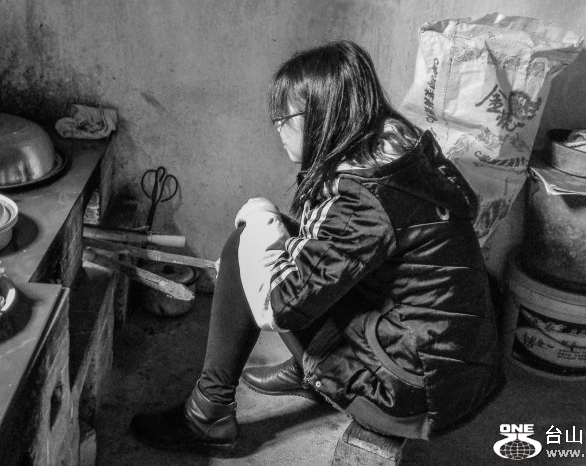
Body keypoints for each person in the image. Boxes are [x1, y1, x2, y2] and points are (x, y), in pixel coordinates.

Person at [130, 40, 505, 453]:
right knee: (288, 248)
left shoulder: (366, 197)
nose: (277, 128)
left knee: (247, 243)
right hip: (448, 366)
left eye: (284, 117)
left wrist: (259, 216)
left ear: (324, 115)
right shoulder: (393, 150)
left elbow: (281, 305)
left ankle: (207, 415)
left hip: (410, 389)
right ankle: (305, 368)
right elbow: (335, 253)